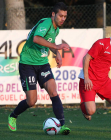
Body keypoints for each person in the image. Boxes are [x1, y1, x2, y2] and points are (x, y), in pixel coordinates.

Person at [8, 2, 70, 135]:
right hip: (27, 64)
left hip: (42, 64)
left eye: (65, 16)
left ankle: (63, 125)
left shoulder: (56, 29)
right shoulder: (47, 22)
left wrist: (57, 54)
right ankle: (13, 116)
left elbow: (49, 43)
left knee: (53, 92)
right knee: (31, 101)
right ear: (53, 14)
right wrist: (58, 47)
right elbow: (36, 38)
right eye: (60, 16)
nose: (63, 19)